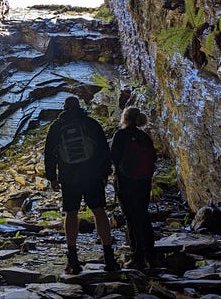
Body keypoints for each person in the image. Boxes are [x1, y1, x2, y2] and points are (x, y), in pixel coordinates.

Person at [44, 96, 119, 274]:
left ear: (64, 107)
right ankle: (109, 257)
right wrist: (105, 173)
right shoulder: (91, 123)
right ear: (79, 106)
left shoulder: (56, 127)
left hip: (69, 177)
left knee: (71, 213)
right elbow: (103, 149)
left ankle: (73, 260)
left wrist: (52, 178)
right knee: (99, 211)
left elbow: (49, 154)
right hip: (92, 175)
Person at [111, 106, 156, 270]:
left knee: (131, 218)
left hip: (126, 181)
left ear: (125, 118)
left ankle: (137, 257)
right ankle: (150, 256)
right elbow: (153, 159)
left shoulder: (121, 135)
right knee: (143, 217)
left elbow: (114, 157)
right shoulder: (144, 136)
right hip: (144, 182)